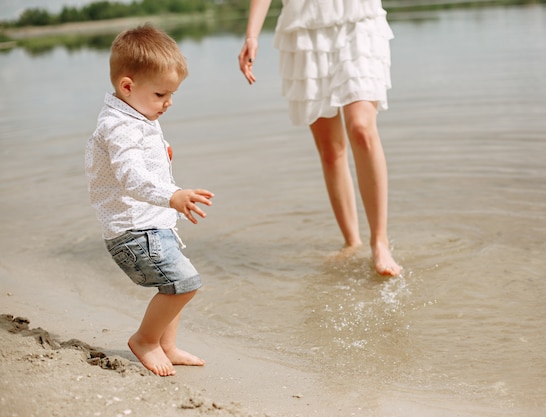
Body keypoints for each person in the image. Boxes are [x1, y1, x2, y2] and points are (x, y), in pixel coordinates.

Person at [238, 0, 402, 276]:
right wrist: (252, 35)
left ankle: (379, 241)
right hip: (304, 25)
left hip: (357, 18)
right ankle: (352, 242)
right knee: (330, 150)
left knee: (361, 129)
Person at [85, 25, 214, 377]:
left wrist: (161, 154)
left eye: (171, 94)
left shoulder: (135, 113)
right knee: (185, 284)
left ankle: (167, 345)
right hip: (135, 231)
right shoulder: (119, 125)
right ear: (128, 86)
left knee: (175, 285)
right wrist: (172, 195)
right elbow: (131, 178)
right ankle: (145, 340)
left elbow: (141, 161)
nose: (168, 102)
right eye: (161, 94)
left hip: (153, 225)